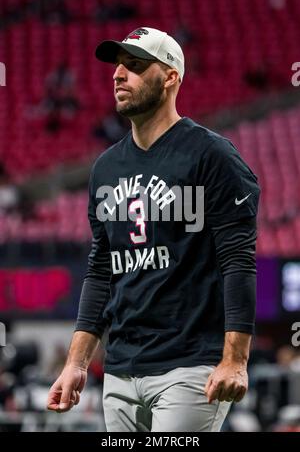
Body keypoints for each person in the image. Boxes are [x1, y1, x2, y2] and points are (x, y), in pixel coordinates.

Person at [47, 27, 260, 432]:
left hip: (191, 365)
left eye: (136, 65)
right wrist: (75, 363)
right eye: (118, 65)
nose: (119, 74)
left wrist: (235, 359)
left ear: (170, 77)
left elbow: (238, 262)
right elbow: (100, 271)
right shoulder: (106, 168)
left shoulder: (212, 156)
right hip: (121, 368)